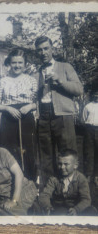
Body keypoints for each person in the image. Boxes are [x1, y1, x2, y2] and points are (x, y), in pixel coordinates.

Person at [35, 36, 83, 187]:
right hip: (43, 115)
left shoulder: (65, 67)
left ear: (52, 49)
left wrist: (60, 81)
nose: (43, 52)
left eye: (46, 48)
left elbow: (79, 89)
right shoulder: (37, 73)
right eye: (40, 50)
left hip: (63, 115)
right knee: (46, 156)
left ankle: (72, 188)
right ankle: (49, 190)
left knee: (68, 153)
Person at [0, 48, 38, 181]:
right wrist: (7, 109)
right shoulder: (3, 81)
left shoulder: (32, 80)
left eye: (20, 63)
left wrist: (30, 106)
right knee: (8, 150)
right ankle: (8, 182)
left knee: (27, 150)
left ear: (25, 64)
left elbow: (38, 103)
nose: (17, 66)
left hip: (26, 118)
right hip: (8, 119)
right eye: (14, 63)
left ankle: (29, 182)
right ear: (10, 63)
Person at [38, 149, 95, 215]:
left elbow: (86, 200)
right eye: (60, 164)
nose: (62, 167)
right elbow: (44, 195)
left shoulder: (81, 179)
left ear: (75, 165)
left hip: (77, 210)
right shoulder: (54, 179)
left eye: (66, 164)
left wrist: (76, 209)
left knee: (92, 211)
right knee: (59, 213)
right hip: (59, 209)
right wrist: (47, 207)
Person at [83, 89, 98, 184]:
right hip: (89, 129)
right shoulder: (88, 106)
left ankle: (97, 176)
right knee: (89, 152)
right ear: (93, 95)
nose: (97, 96)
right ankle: (88, 175)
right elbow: (83, 118)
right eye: (96, 94)